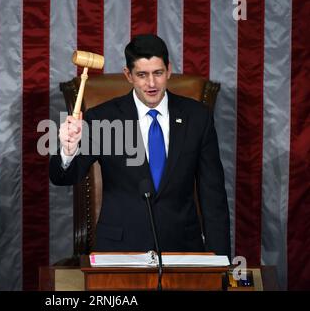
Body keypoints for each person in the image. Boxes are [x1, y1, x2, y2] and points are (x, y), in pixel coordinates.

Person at [50, 34, 230, 257]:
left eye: (158, 73)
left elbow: (213, 197)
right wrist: (68, 150)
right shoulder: (103, 118)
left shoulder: (197, 117)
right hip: (120, 251)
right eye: (142, 75)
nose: (151, 84)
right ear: (129, 75)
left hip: (182, 249)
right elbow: (64, 177)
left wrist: (222, 264)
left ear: (169, 70)